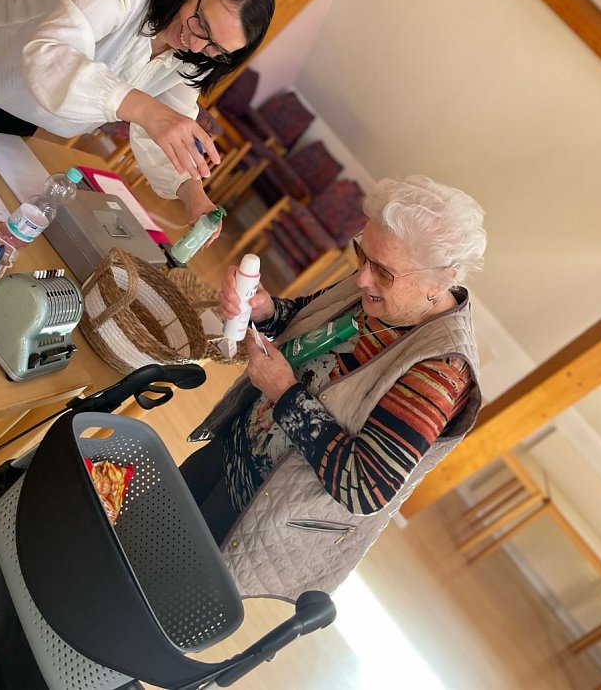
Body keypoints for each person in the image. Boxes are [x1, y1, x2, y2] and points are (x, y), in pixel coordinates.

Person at [181, 174, 487, 601]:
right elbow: (305, 322)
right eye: (362, 254)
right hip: (231, 452)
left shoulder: (440, 372)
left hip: (255, 514)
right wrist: (266, 309)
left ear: (441, 280)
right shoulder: (378, 284)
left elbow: (364, 486)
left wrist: (286, 395)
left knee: (151, 611)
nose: (362, 278)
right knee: (128, 546)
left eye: (381, 271)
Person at [0, 0, 275, 227]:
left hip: (12, 118)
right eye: (202, 24)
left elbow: (169, 125)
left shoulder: (191, 56)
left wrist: (194, 195)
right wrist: (144, 108)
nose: (195, 44)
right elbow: (47, 56)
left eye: (216, 47)